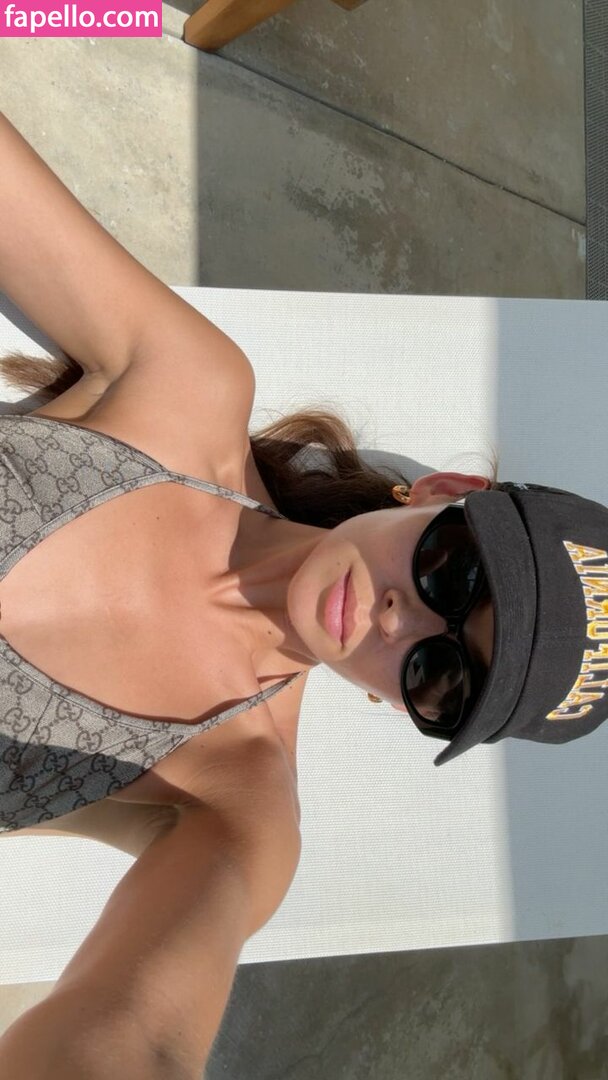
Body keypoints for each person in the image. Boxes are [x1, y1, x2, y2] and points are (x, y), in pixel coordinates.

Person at [0, 110, 607, 1077]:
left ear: (402, 707)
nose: (402, 616)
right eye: (455, 569)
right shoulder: (191, 394)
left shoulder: (236, 803)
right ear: (445, 491)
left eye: (441, 676)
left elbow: (137, 1035)